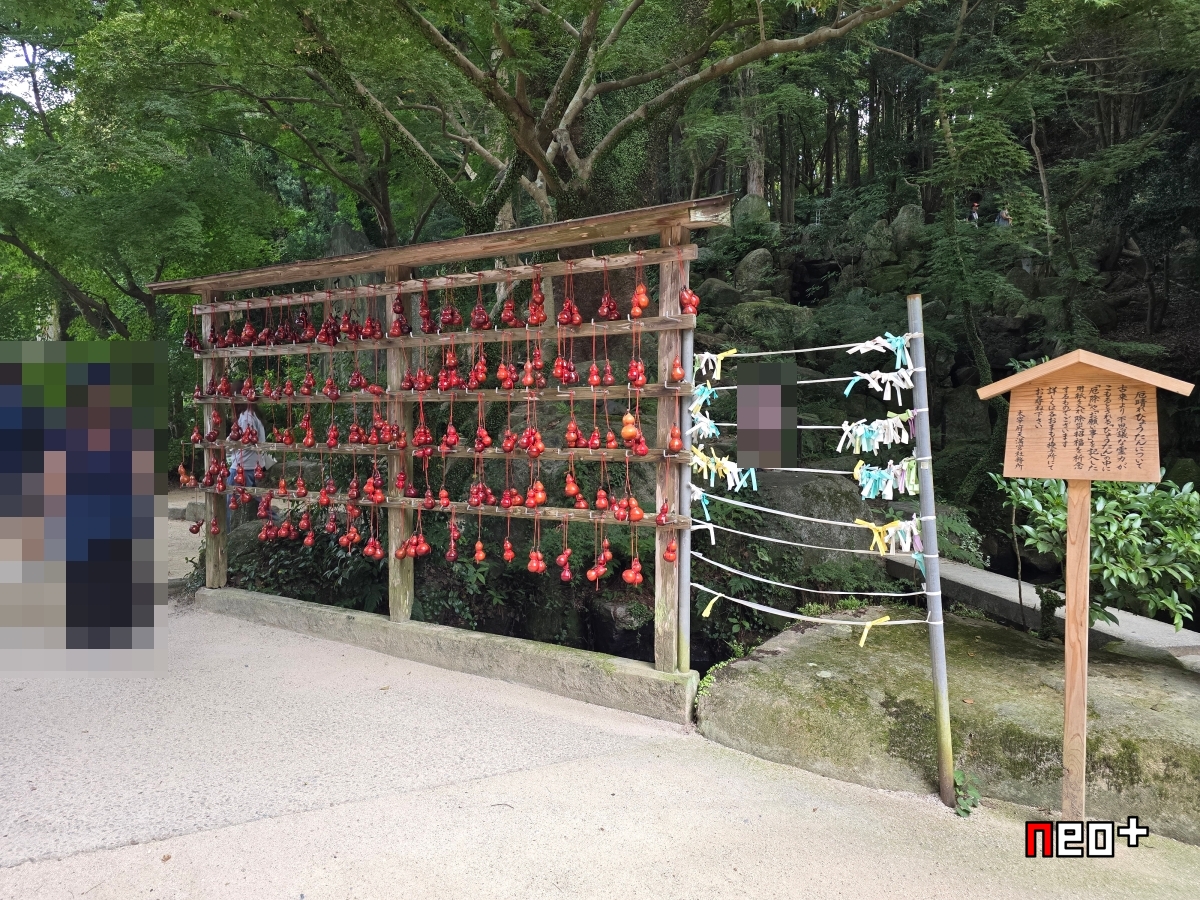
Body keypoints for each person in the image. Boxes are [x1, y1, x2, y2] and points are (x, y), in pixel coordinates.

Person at [227, 400, 275, 524]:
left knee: (230, 505)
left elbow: (245, 441)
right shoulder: (253, 415)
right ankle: (279, 523)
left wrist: (228, 443)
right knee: (262, 504)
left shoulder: (246, 417)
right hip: (253, 465)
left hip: (242, 466)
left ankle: (227, 533)